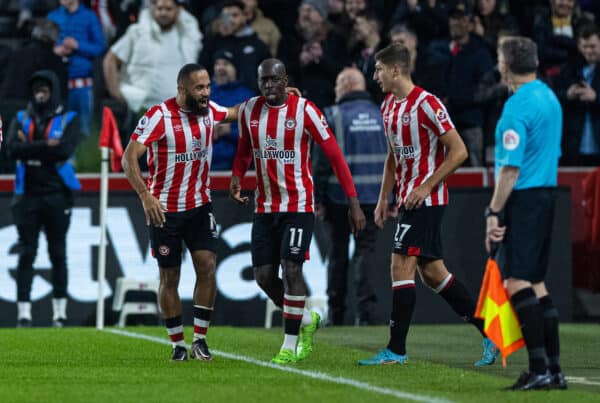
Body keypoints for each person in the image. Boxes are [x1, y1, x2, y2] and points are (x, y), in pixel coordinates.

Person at [357, 43, 498, 366]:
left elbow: (459, 151)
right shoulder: (388, 107)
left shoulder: (427, 103)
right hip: (409, 199)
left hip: (428, 199)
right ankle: (491, 333)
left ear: (396, 70)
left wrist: (426, 185)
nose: (374, 75)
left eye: (379, 69)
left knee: (399, 265)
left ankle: (396, 350)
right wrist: (383, 198)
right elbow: (393, 157)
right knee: (434, 275)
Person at [230, 58, 366, 364]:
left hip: (298, 205)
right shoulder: (249, 111)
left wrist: (353, 202)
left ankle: (288, 346)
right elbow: (243, 150)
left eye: (274, 80)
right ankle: (306, 319)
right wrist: (236, 178)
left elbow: (336, 158)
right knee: (264, 277)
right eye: (263, 80)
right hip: (265, 207)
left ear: (285, 80)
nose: (268, 86)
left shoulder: (306, 111)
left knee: (292, 269)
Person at [122, 63, 242, 361]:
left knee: (207, 266)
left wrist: (273, 96)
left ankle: (200, 340)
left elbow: (237, 112)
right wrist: (145, 195)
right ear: (181, 90)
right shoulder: (158, 117)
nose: (205, 93)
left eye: (207, 87)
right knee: (170, 277)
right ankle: (177, 343)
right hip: (165, 210)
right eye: (199, 88)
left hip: (200, 206)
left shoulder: (209, 111)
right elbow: (128, 158)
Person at [485, 36, 566, 390]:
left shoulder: (517, 107)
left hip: (526, 198)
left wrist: (493, 211)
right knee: (537, 283)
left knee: (516, 281)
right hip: (547, 194)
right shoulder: (549, 97)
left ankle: (538, 369)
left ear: (505, 65)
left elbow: (509, 170)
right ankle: (554, 369)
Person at [5, 70, 81, 328]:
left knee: (58, 253)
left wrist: (30, 147)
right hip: (26, 195)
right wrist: (44, 145)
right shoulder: (19, 117)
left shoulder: (69, 118)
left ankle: (59, 313)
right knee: (27, 253)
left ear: (53, 92)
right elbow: (11, 150)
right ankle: (23, 314)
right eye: (36, 90)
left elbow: (63, 151)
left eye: (45, 90)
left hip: (57, 194)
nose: (40, 94)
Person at [313, 67, 386, 325]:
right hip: (376, 199)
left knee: (338, 254)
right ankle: (365, 315)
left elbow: (321, 162)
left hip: (339, 199)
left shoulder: (332, 116)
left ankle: (336, 314)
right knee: (366, 253)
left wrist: (317, 198)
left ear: (344, 87)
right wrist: (395, 197)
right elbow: (397, 159)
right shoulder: (382, 115)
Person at [103, 0, 203, 114]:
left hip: (176, 111)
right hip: (139, 109)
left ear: (178, 11)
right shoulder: (137, 32)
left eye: (168, 9)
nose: (163, 13)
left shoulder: (187, 38)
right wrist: (117, 95)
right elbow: (110, 60)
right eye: (160, 9)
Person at [48, 0, 105, 136]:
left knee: (85, 132)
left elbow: (100, 47)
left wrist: (78, 45)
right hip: (58, 85)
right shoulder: (53, 16)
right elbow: (43, 44)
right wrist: (55, 49)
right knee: (57, 132)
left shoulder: (89, 16)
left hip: (83, 86)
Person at [555, 23, 600, 166]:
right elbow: (554, 97)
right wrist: (568, 95)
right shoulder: (568, 69)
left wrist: (596, 97)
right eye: (584, 47)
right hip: (573, 146)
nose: (588, 51)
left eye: (592, 46)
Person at [210, 49, 256, 170]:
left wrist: (230, 131)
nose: (220, 68)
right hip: (206, 163)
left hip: (236, 165)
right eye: (217, 64)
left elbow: (256, 134)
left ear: (235, 68)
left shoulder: (247, 97)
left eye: (226, 64)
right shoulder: (206, 94)